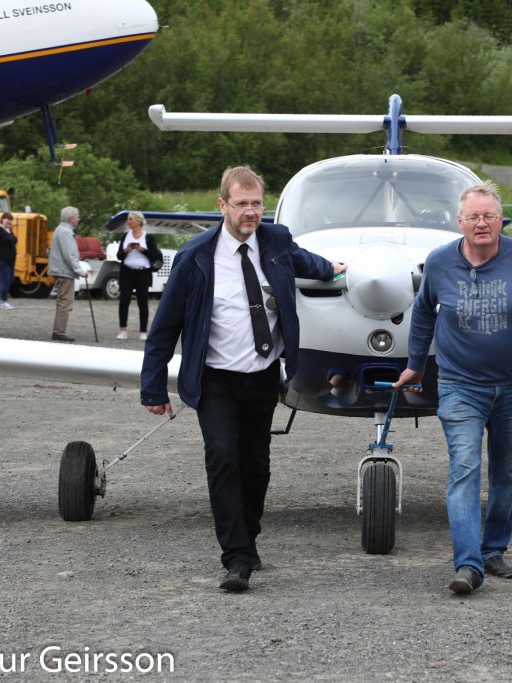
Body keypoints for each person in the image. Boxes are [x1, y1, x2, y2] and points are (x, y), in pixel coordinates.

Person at [140, 166, 345, 593]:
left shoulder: (276, 241)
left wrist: (335, 269)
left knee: (256, 463)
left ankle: (248, 538)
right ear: (222, 205)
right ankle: (235, 558)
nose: (251, 212)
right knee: (222, 456)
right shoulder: (195, 257)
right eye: (241, 204)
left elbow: (307, 262)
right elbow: (164, 327)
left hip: (262, 376)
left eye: (257, 204)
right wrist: (153, 387)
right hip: (214, 378)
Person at [393, 181, 512, 595]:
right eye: (473, 217)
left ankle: (494, 549)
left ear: (501, 220)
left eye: (489, 216)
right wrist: (415, 365)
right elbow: (423, 312)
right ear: (460, 221)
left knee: (506, 472)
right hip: (460, 385)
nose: (481, 223)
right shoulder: (440, 262)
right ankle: (468, 564)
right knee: (464, 469)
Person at [116, 211, 162, 341]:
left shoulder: (148, 238)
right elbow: (119, 256)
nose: (128, 221)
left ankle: (143, 331)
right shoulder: (125, 236)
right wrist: (126, 250)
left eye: (130, 219)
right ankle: (122, 330)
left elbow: (155, 255)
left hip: (143, 273)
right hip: (127, 272)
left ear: (138, 221)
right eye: (128, 219)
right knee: (124, 301)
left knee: (142, 302)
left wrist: (143, 250)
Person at [48, 206, 88, 343]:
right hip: (64, 272)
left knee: (62, 301)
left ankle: (58, 331)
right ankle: (59, 332)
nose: (78, 219)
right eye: (77, 216)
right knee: (66, 302)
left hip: (61, 271)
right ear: (71, 218)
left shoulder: (61, 230)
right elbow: (69, 256)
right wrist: (80, 271)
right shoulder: (65, 232)